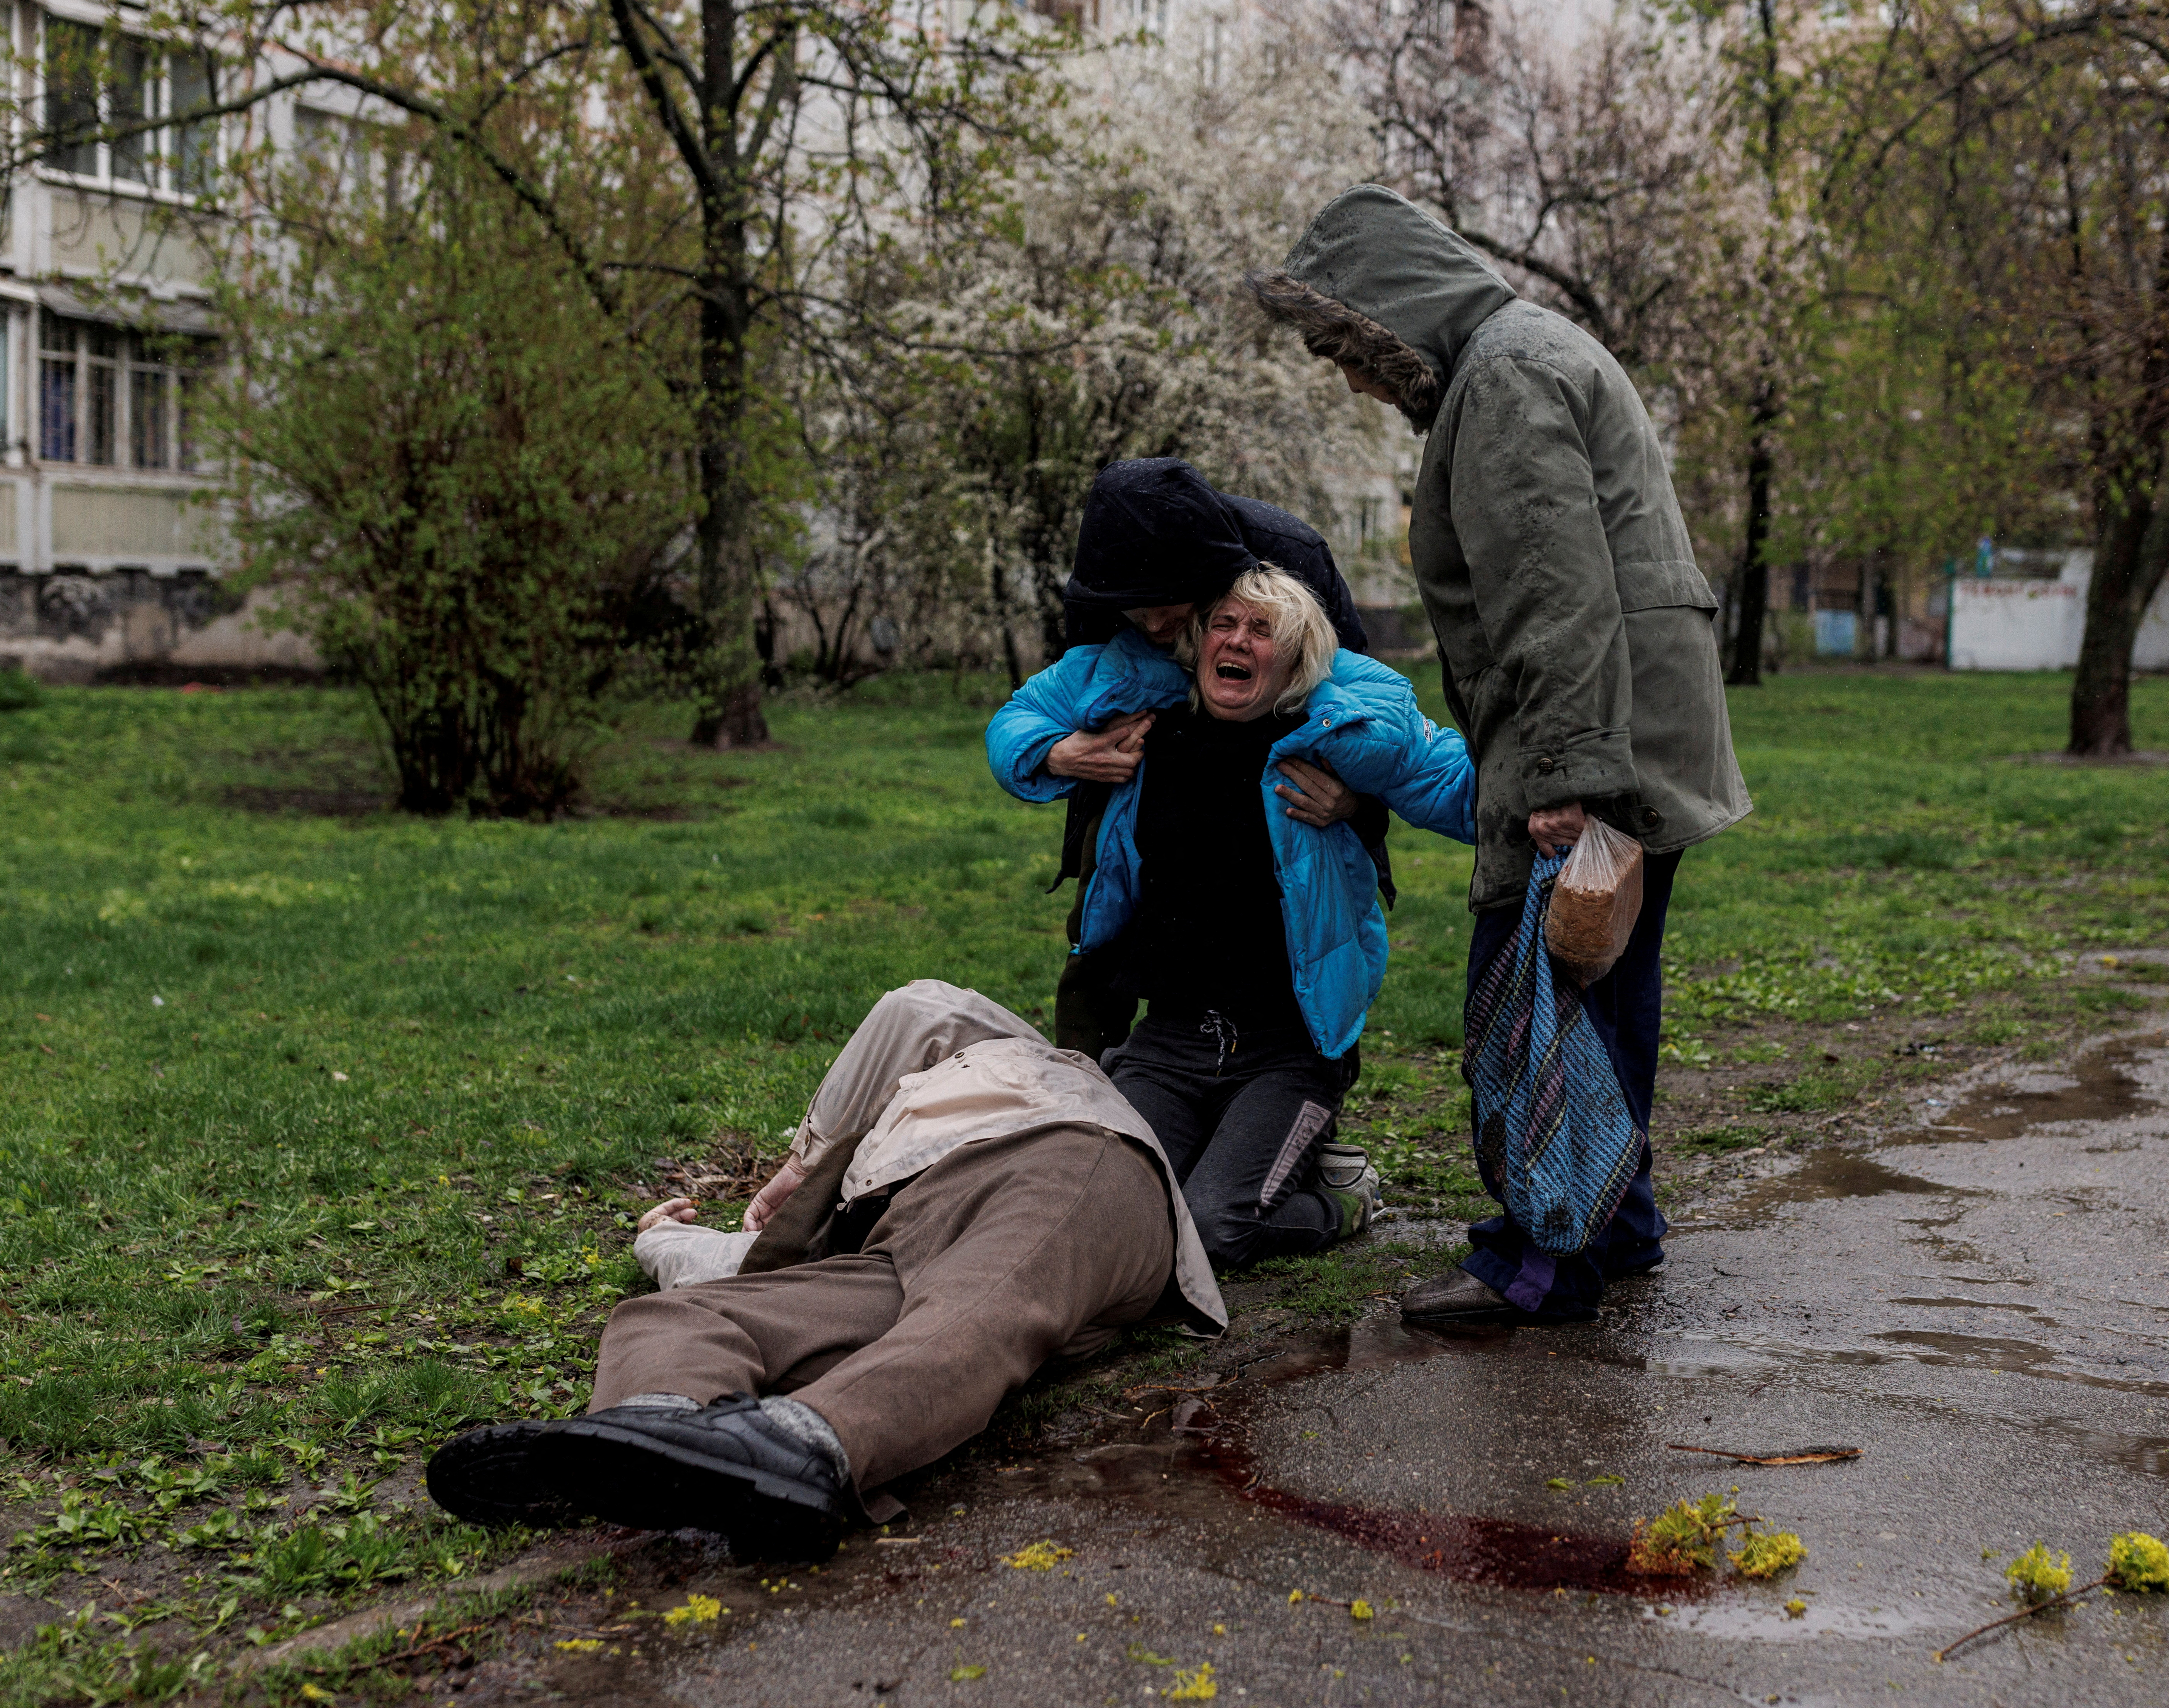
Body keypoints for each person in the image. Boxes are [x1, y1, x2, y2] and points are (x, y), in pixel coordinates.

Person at [1249, 185, 1752, 1328]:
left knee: (1538, 999)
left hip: (1596, 741)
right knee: (1601, 982)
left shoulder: (1505, 377)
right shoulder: (1523, 355)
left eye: (1346, 348)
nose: (1350, 378)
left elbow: (1555, 596)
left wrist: (1572, 779)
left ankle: (1541, 1257)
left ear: (1390, 313)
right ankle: (1613, 1225)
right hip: (1632, 729)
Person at [425, 980, 1224, 1560]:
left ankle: (806, 1445)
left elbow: (919, 1008)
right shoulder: (872, 1178)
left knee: (978, 1307)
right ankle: (648, 1436)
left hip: (1062, 1166)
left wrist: (799, 1164)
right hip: (902, 1237)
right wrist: (660, 1243)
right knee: (673, 1317)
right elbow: (732, 1268)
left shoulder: (1041, 1071)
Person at [987, 567, 1475, 1267]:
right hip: (1168, 1046)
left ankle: (1342, 1198)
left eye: (1262, 629)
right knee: (1112, 1215)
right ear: (1200, 638)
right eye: (1225, 623)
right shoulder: (1151, 721)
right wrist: (1059, 752)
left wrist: (1563, 791)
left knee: (1215, 1229)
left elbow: (1455, 784)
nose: (1237, 640)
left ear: (1298, 656)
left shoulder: (1332, 737)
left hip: (1286, 1052)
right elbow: (1017, 722)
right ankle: (1260, 1156)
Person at [1046, 459, 1390, 1059]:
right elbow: (1070, 693)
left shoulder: (1291, 555)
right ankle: (1081, 1086)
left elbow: (1366, 716)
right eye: (1136, 608)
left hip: (1279, 771)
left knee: (1310, 916)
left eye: (1166, 603)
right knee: (1101, 919)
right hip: (1142, 760)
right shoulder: (1106, 578)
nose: (1152, 624)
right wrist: (1059, 754)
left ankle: (1314, 1085)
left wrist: (1357, 803)